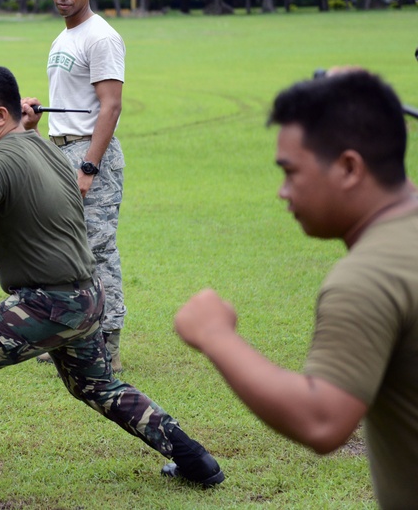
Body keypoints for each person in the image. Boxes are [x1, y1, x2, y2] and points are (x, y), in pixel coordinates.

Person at [0, 65, 223, 510]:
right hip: (87, 296)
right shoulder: (41, 147)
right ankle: (195, 459)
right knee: (96, 385)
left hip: (49, 303)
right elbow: (4, 155)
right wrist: (27, 125)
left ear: (0, 114)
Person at [174, 70, 418, 509]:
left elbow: (323, 421)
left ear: (348, 167)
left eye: (291, 172)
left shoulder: (368, 277)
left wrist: (216, 336)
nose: (282, 192)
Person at [25, 0, 128, 372]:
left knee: (98, 249)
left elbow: (110, 106)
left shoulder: (100, 37)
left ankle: (108, 343)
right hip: (59, 151)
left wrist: (89, 167)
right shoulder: (62, 38)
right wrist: (34, 121)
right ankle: (68, 338)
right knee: (62, 250)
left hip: (89, 154)